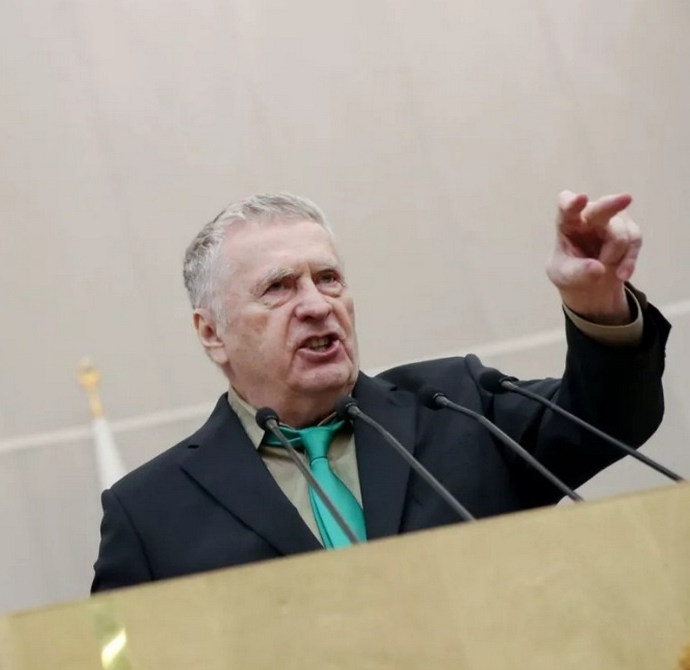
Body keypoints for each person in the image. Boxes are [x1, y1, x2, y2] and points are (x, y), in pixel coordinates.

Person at [91, 191, 669, 592]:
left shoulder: (456, 405)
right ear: (211, 333)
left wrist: (597, 304)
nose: (317, 305)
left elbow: (608, 419)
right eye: (279, 287)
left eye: (328, 278)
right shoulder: (149, 513)